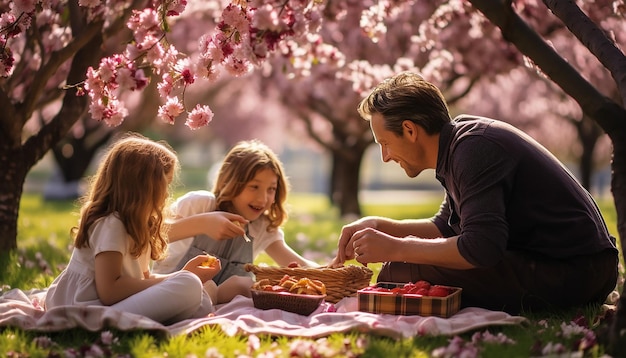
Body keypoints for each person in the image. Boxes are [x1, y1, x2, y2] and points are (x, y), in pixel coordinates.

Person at [330, 72, 619, 315]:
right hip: (575, 266)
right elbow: (445, 226)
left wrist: (396, 248)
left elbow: (480, 248)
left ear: (409, 130)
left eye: (385, 143)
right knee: (403, 266)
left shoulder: (473, 150)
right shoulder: (457, 144)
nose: (385, 156)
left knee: (400, 270)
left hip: (577, 272)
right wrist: (380, 226)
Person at [45, 133, 219, 324]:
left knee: (200, 293)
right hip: (87, 309)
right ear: (143, 186)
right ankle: (114, 324)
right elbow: (109, 291)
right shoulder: (112, 224)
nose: (168, 193)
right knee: (189, 285)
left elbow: (141, 280)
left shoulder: (139, 225)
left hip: (112, 304)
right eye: (165, 185)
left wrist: (182, 274)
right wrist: (183, 278)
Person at [153, 139, 319, 304]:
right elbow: (152, 236)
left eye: (271, 189)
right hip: (168, 288)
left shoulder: (261, 227)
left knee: (243, 284)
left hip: (214, 301)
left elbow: (298, 265)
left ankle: (211, 298)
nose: (263, 198)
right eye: (254, 187)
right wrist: (202, 223)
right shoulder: (200, 204)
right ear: (230, 182)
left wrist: (333, 269)